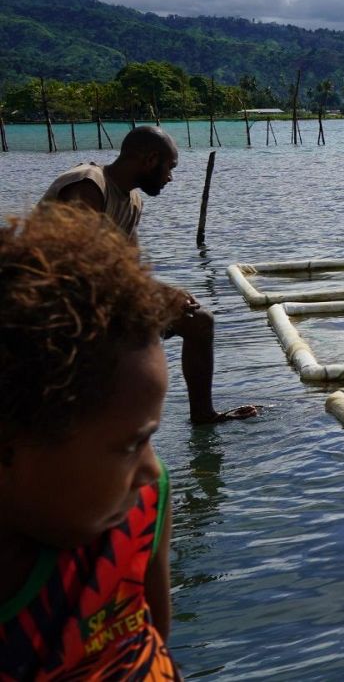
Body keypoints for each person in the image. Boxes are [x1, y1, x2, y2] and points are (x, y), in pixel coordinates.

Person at [0, 204, 182, 679]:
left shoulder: (142, 508)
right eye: (130, 445)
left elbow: (152, 639)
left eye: (150, 440)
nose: (151, 471)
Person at [40, 126, 258, 424]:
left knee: (198, 321)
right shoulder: (90, 185)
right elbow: (78, 267)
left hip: (98, 298)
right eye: (169, 167)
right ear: (149, 159)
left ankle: (203, 414)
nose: (170, 177)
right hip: (55, 306)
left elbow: (131, 268)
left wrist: (166, 294)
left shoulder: (132, 200)